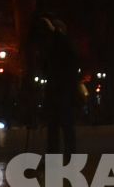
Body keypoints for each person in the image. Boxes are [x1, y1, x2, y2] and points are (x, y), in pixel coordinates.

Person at [30, 14, 80, 155]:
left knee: (66, 124)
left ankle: (70, 152)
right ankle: (53, 152)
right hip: (54, 90)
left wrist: (54, 31)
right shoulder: (51, 46)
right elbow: (45, 66)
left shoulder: (66, 43)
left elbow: (70, 53)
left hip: (64, 90)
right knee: (53, 125)